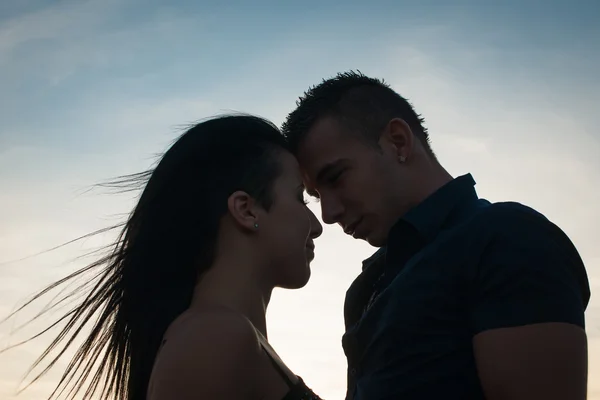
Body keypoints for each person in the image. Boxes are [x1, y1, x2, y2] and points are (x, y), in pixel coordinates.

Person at [281, 71, 590, 400]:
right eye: (315, 194)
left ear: (398, 141)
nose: (328, 214)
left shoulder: (509, 238)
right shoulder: (366, 288)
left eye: (336, 177)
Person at [3, 115, 324, 400]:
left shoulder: (226, 337)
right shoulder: (216, 337)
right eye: (300, 198)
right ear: (245, 209)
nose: (316, 226)